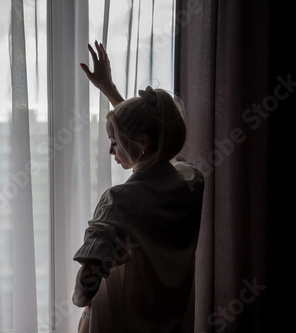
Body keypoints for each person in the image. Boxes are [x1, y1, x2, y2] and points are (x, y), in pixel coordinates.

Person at [73, 41, 204, 333]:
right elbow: (162, 149)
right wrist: (111, 91)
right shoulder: (192, 183)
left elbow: (85, 289)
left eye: (114, 142)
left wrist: (79, 297)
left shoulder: (118, 201)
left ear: (142, 143)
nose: (112, 151)